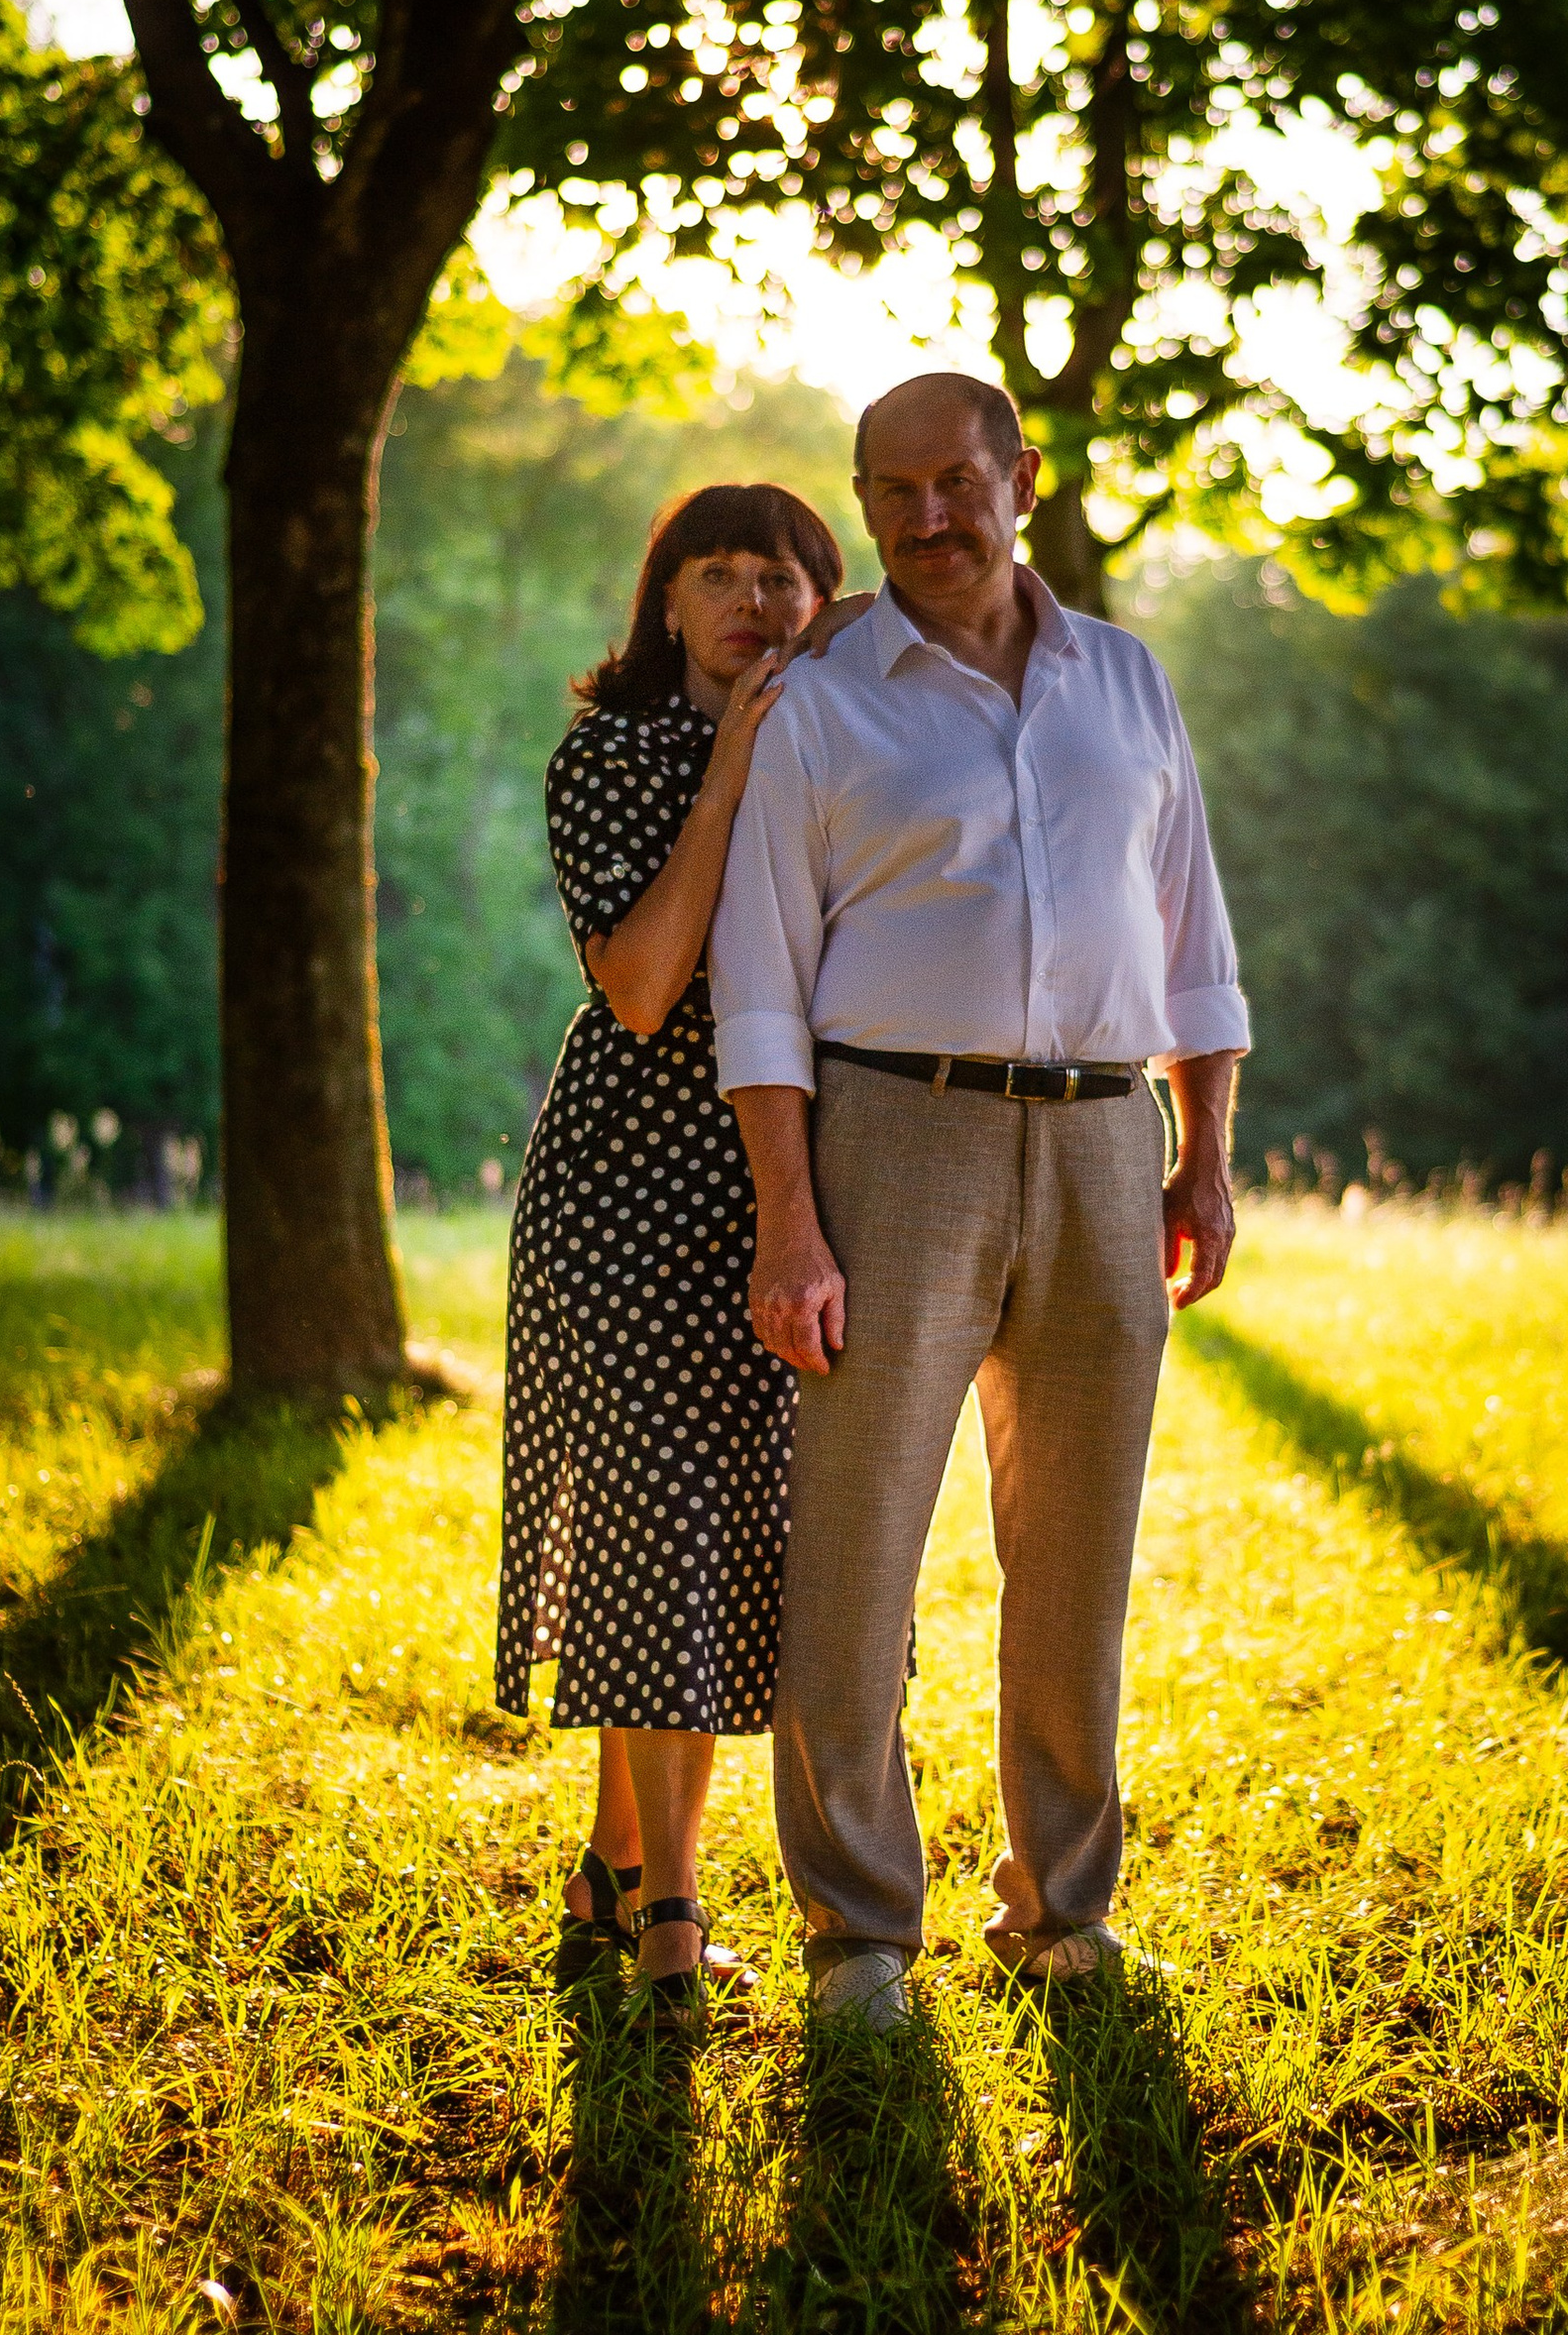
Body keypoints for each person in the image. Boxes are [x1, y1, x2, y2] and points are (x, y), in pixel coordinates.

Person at [708, 375, 1249, 2032]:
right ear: (865, 505)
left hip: (1102, 1149)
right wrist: (790, 1223)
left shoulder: (1130, 684)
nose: (930, 518)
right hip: (894, 1142)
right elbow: (760, 988)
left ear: (1022, 478)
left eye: (958, 483)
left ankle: (1063, 1907)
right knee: (856, 1551)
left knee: (1079, 1561)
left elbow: (1193, 944)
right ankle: (860, 1933)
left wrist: (1204, 1151)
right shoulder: (821, 704)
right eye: (894, 493)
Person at [496, 480, 858, 2019]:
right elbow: (642, 985)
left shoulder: (847, 751)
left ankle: (605, 1867)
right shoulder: (617, 756)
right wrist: (728, 769)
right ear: (666, 607)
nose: (753, 602)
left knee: (707, 1544)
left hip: (785, 1188)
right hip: (631, 1190)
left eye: (783, 577)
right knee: (659, 1540)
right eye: (717, 575)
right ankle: (671, 1913)